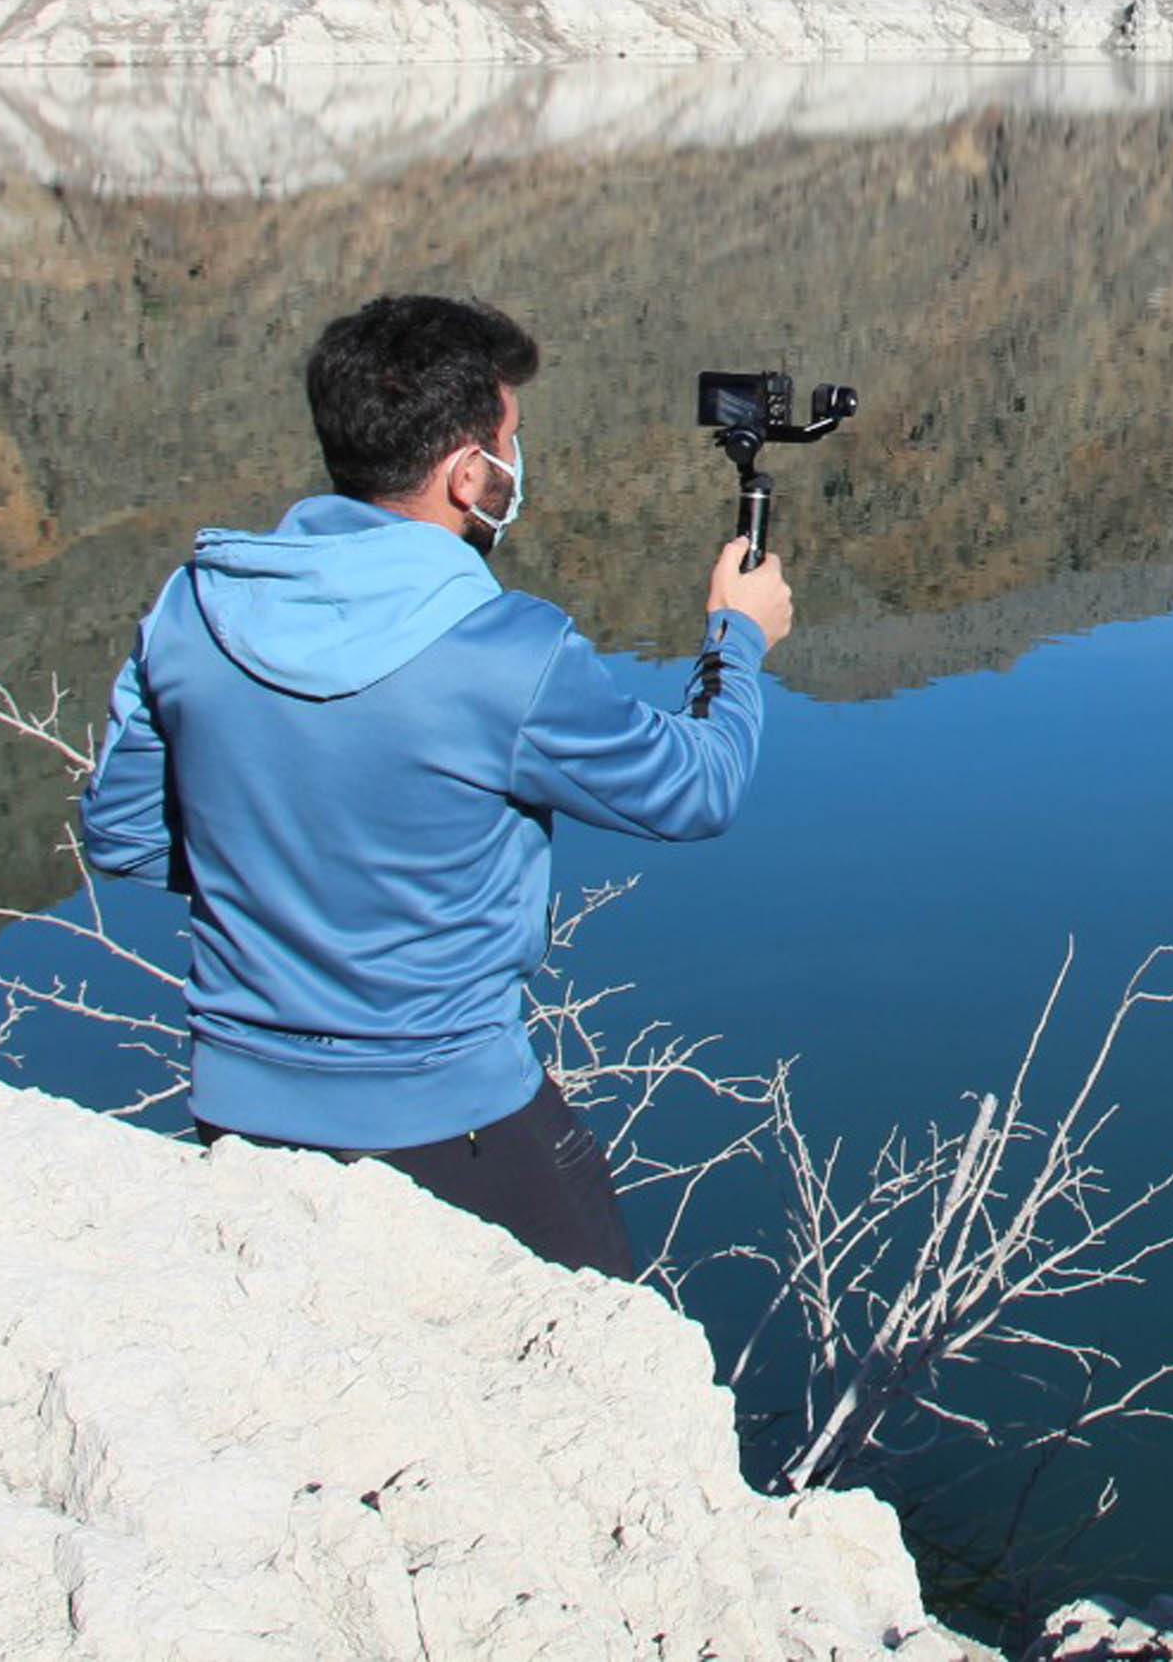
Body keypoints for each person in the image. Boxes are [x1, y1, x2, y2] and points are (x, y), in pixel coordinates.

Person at [77, 293, 792, 1282]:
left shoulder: (190, 607)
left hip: (236, 1113)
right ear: (469, 474)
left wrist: (293, 867)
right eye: (511, 440)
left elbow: (124, 833)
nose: (513, 464)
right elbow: (693, 788)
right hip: (455, 1122)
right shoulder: (506, 654)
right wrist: (737, 635)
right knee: (586, 1371)